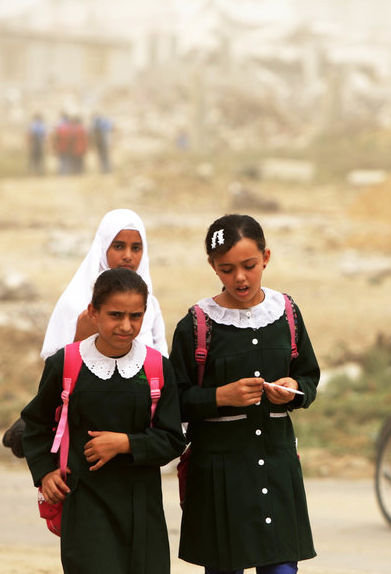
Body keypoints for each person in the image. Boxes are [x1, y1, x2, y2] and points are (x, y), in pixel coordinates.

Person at [171, 214, 319, 574]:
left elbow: (309, 376)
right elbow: (173, 401)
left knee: (283, 569)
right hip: (221, 478)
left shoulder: (286, 313)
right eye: (227, 269)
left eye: (249, 265)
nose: (240, 277)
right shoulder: (196, 325)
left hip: (277, 466)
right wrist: (220, 396)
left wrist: (294, 389)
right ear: (212, 267)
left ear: (266, 257)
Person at [21, 268, 186, 574]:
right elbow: (35, 424)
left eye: (135, 316)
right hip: (85, 502)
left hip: (142, 506)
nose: (126, 326)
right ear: (93, 313)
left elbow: (173, 439)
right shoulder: (66, 363)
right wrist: (45, 473)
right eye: (115, 315)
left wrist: (126, 443)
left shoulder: (156, 367)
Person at [41, 208, 167, 360]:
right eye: (118, 246)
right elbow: (58, 369)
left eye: (136, 248)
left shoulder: (150, 304)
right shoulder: (77, 303)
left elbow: (162, 361)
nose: (128, 256)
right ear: (102, 248)